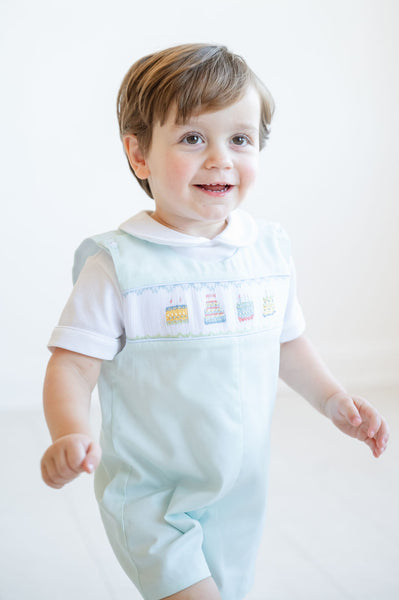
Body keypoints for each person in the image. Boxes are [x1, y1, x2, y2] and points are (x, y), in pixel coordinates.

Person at [40, 43, 389, 600]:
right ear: (139, 155)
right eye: (193, 138)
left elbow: (286, 340)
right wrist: (69, 434)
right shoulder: (120, 265)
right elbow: (73, 368)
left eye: (240, 139)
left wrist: (333, 400)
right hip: (151, 497)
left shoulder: (268, 250)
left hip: (239, 494)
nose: (221, 157)